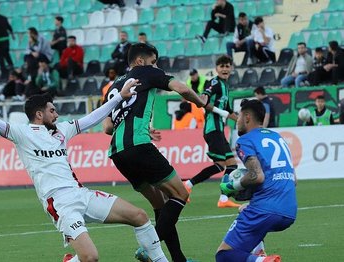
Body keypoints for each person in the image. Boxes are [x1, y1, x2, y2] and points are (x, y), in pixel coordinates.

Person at [0, 78, 169, 262]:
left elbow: (93, 117)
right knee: (91, 258)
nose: (57, 114)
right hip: (60, 204)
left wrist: (120, 97)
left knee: (140, 216)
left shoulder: (62, 130)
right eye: (52, 110)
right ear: (39, 114)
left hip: (81, 194)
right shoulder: (21, 133)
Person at [103, 43, 207, 262]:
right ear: (140, 62)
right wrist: (202, 103)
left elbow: (107, 127)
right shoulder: (148, 73)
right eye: (153, 61)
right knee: (180, 194)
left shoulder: (115, 85)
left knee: (160, 204)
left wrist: (141, 126)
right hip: (139, 146)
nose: (156, 66)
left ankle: (178, 259)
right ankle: (150, 247)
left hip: (118, 153)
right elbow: (183, 89)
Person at [217, 98, 297, 262]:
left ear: (247, 117)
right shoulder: (278, 137)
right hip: (289, 211)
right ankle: (259, 253)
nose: (237, 121)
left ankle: (263, 261)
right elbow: (294, 179)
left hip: (266, 210)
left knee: (224, 255)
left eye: (238, 116)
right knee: (247, 211)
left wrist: (233, 185)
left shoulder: (245, 140)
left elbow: (257, 176)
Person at [184, 55, 240, 208]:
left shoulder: (226, 87)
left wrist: (242, 122)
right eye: (222, 66)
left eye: (227, 66)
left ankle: (223, 199)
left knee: (232, 165)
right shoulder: (214, 82)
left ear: (231, 69)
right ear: (216, 69)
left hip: (219, 130)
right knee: (220, 165)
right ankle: (187, 185)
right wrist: (217, 110)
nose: (225, 69)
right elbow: (203, 100)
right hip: (212, 128)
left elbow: (228, 111)